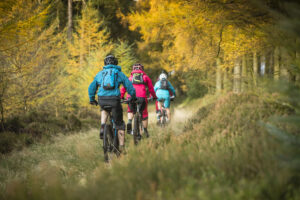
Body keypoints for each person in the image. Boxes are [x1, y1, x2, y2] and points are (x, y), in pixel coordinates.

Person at [88, 54, 136, 153]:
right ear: (116, 63)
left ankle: (102, 125)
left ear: (105, 63)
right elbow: (129, 86)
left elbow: (91, 87)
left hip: (102, 99)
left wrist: (92, 99)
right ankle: (122, 148)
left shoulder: (100, 74)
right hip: (114, 100)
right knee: (119, 124)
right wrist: (133, 96)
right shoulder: (119, 73)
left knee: (104, 109)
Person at [120, 63, 157, 138]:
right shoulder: (145, 77)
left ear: (133, 70)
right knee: (144, 112)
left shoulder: (129, 78)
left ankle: (130, 121)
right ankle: (145, 131)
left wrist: (121, 97)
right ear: (142, 69)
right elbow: (151, 89)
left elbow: (123, 88)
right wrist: (154, 96)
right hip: (142, 97)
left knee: (130, 110)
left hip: (131, 97)